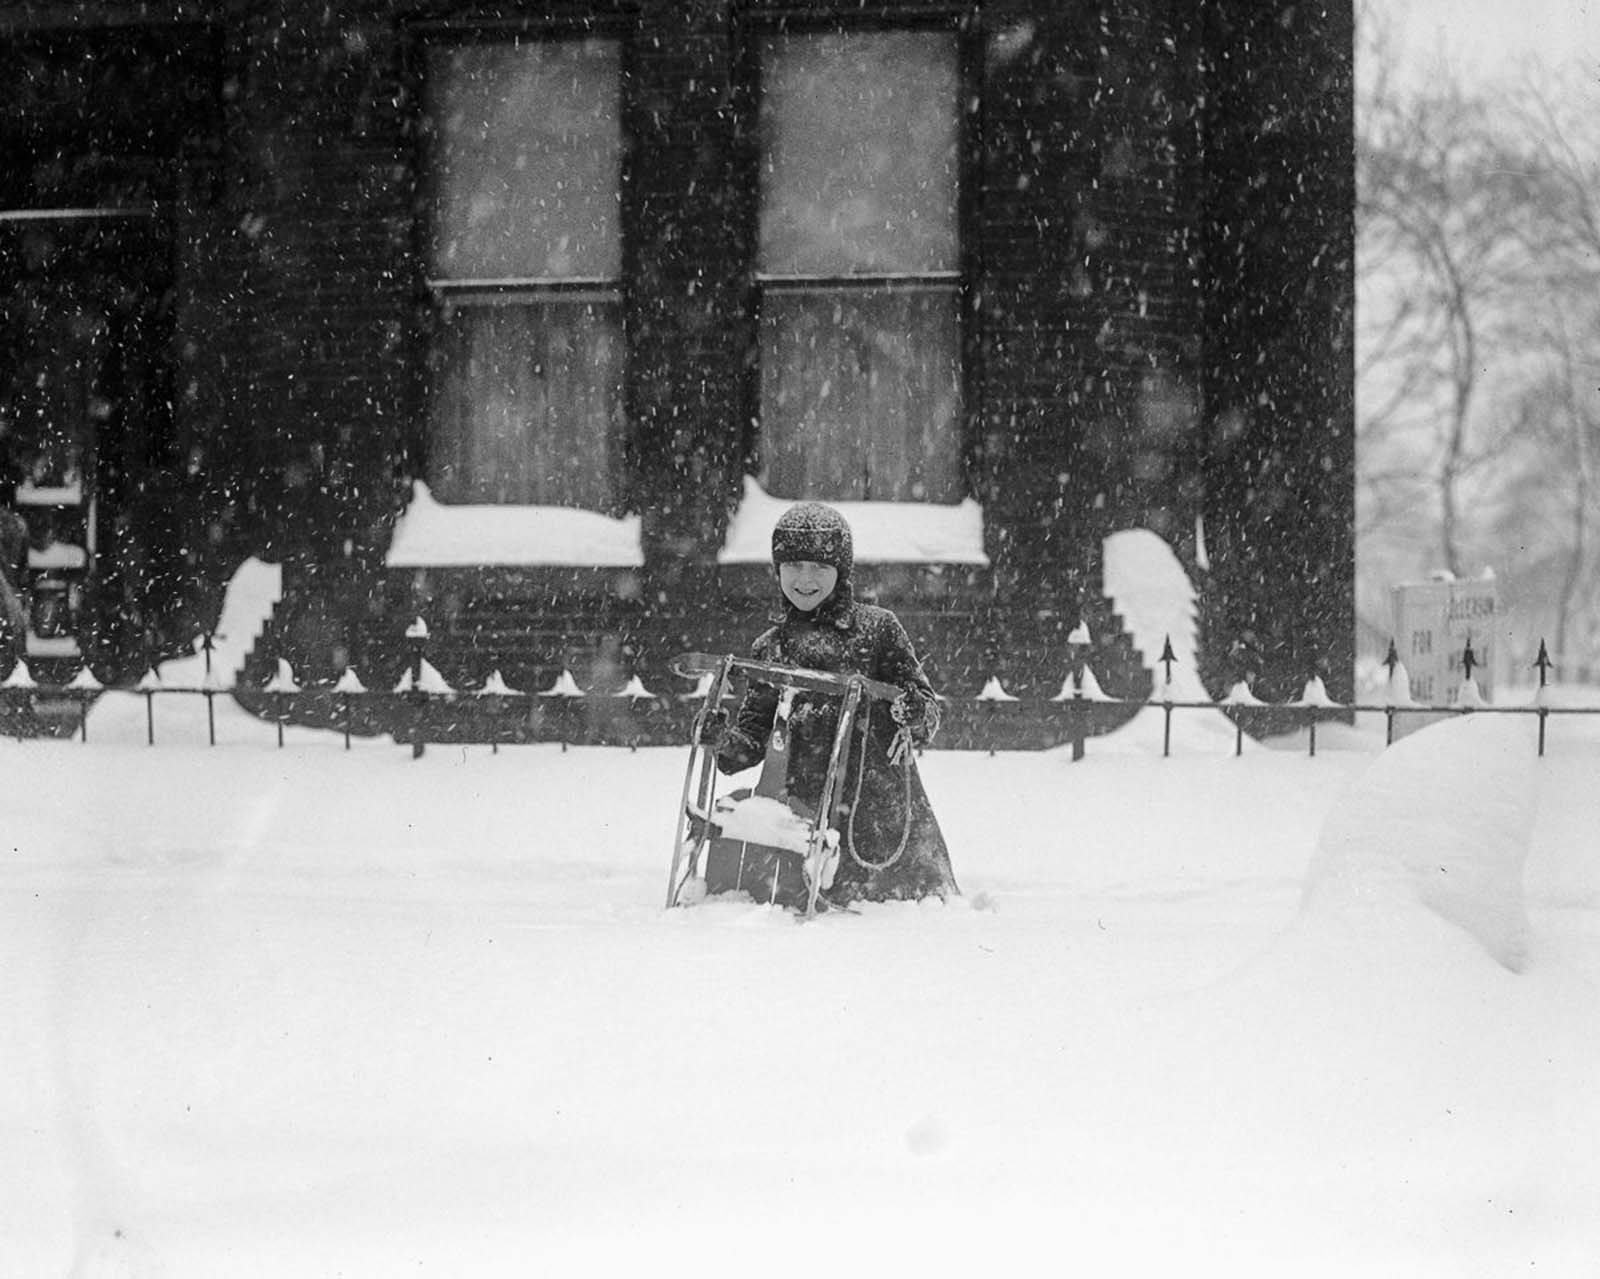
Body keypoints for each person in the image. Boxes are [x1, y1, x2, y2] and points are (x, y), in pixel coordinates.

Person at [706, 501, 958, 904]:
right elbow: (747, 747)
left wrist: (912, 711)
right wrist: (720, 739)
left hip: (878, 827)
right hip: (801, 824)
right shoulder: (770, 648)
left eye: (820, 567)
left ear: (842, 572)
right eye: (794, 565)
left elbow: (927, 714)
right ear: (777, 570)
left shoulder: (878, 630)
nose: (806, 579)